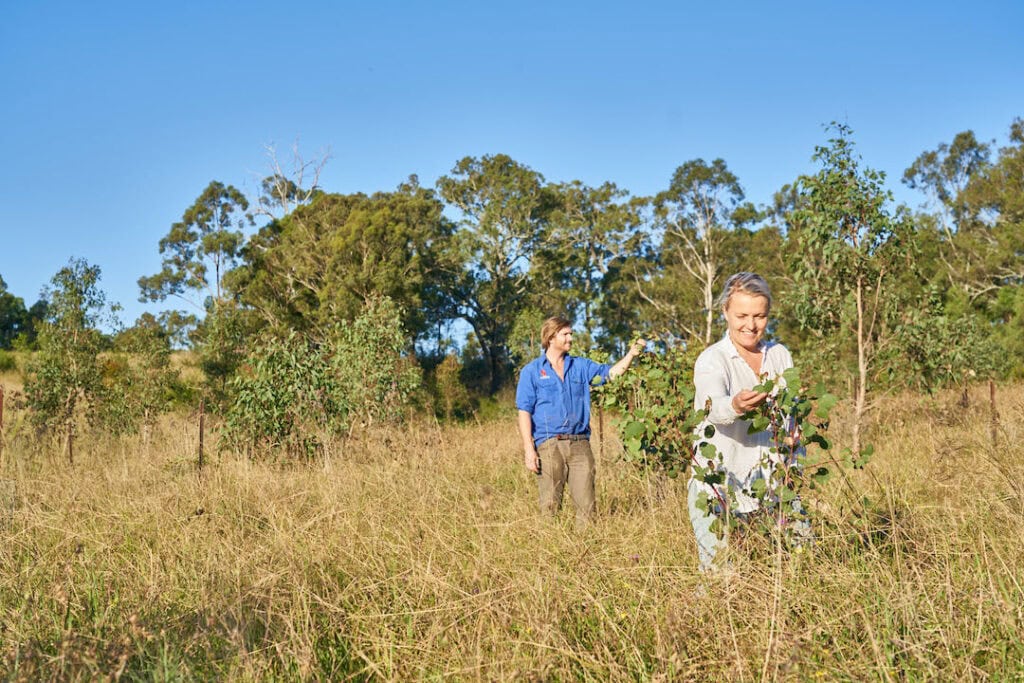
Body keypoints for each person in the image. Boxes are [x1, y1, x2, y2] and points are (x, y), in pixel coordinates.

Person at [688, 272, 796, 571]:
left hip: (773, 487)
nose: (751, 325)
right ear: (725, 312)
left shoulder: (779, 356)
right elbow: (713, 407)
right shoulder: (712, 360)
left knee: (792, 567)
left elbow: (791, 418)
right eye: (742, 315)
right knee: (721, 577)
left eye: (760, 316)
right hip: (720, 487)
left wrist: (794, 462)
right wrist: (736, 404)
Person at [516, 316, 645, 525]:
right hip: (548, 444)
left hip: (580, 444)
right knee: (549, 505)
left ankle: (584, 551)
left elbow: (612, 374)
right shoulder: (531, 372)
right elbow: (524, 412)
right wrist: (529, 449)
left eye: (571, 334)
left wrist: (631, 354)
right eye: (565, 334)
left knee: (586, 507)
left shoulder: (581, 366)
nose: (570, 338)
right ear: (551, 337)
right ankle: (550, 549)